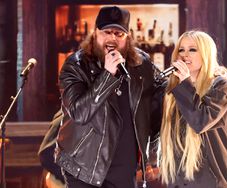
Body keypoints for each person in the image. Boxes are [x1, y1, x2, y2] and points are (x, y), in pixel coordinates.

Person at [54, 6, 165, 188]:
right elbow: (79, 113)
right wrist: (107, 75)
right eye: (107, 32)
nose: (112, 38)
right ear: (95, 33)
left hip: (125, 167)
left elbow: (164, 91)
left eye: (119, 34)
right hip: (84, 167)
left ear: (127, 37)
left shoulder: (141, 63)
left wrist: (193, 79)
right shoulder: (75, 65)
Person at [159, 30, 227, 188]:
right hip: (180, 178)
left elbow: (201, 121)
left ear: (205, 53)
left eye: (192, 49)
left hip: (213, 178)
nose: (185, 55)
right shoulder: (172, 89)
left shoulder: (219, 85)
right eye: (181, 50)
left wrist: (185, 83)